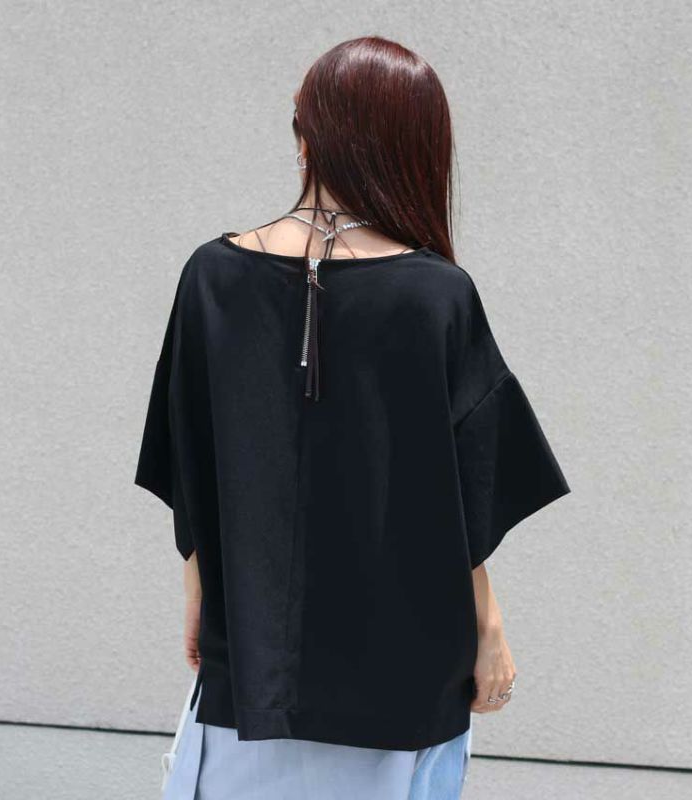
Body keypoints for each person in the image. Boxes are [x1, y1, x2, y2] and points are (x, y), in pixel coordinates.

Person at [135, 35, 570, 800]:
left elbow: (189, 458)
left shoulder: (212, 277)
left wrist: (198, 592)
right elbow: (463, 497)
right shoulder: (436, 295)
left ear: (304, 135)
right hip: (406, 686)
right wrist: (489, 629)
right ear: (416, 150)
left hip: (252, 676)